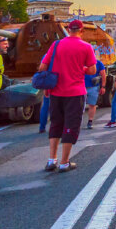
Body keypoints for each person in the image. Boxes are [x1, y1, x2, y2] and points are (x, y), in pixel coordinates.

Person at [38, 19, 96, 173]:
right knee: (71, 125)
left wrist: (46, 85)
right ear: (82, 31)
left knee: (56, 124)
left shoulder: (56, 45)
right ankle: (64, 162)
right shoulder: (86, 47)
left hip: (56, 91)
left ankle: (52, 159)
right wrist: (81, 69)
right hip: (75, 92)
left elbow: (43, 66)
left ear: (68, 30)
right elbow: (92, 70)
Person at [83, 55, 106, 130]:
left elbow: (103, 74)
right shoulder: (81, 62)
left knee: (92, 105)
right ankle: (76, 122)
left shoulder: (98, 63)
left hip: (93, 87)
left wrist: (103, 86)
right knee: (78, 106)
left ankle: (90, 121)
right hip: (81, 87)